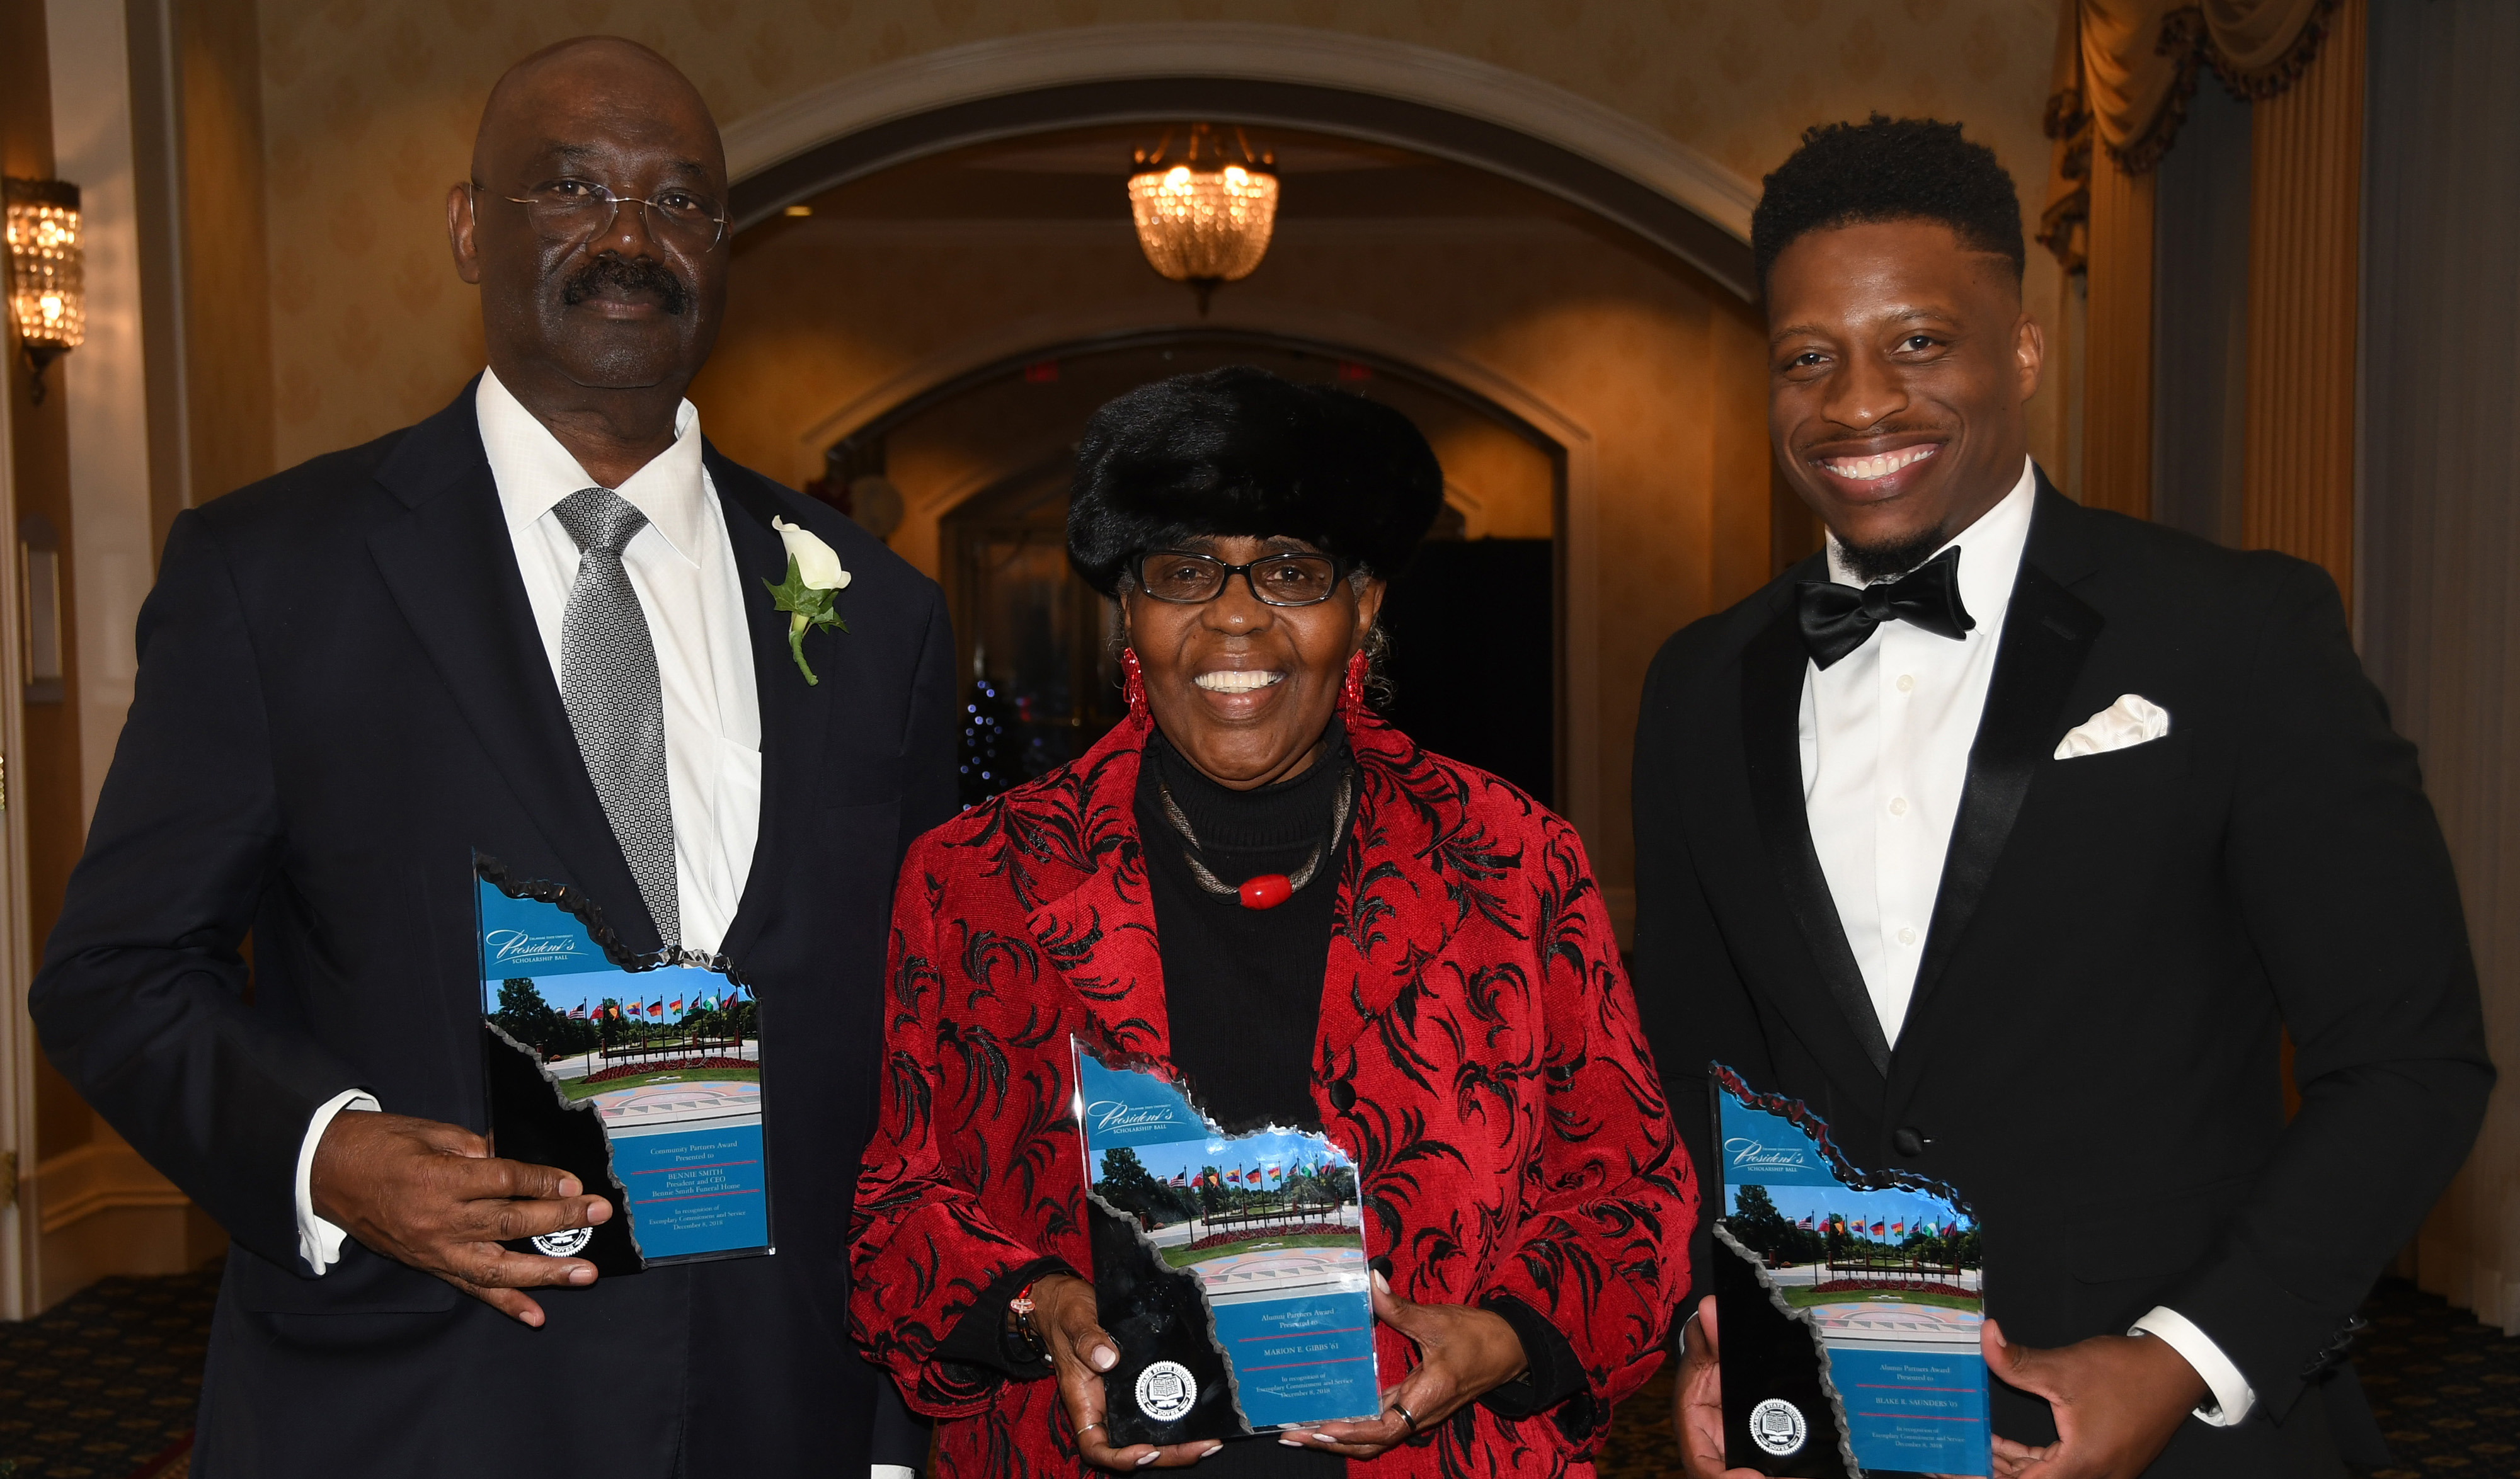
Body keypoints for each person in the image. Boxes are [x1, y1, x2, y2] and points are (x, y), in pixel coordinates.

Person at [28, 37, 955, 1477]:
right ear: (472, 228)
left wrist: (897, 1418)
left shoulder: (869, 603)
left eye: (681, 203)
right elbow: (116, 973)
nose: (631, 240)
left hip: (783, 1400)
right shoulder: (276, 576)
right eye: (571, 188)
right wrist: (330, 1155)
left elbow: (917, 1032)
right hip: (420, 1400)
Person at [1630, 116, 2490, 1479]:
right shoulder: (1696, 684)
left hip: (2187, 1435)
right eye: (1808, 358)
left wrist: (2177, 1358)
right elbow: (1695, 1064)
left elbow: (2405, 1061)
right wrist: (1710, 1323)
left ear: (2019, 349)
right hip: (1827, 1422)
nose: (1856, 403)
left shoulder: (2234, 632)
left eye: (1917, 341)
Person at [849, 366, 1691, 1475]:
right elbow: (899, 1213)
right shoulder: (980, 876)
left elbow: (1635, 1197)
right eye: (1183, 571)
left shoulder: (1514, 860)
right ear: (1130, 613)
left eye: (1290, 572)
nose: (1235, 616)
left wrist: (1502, 1337)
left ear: (1365, 607)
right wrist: (1036, 1308)